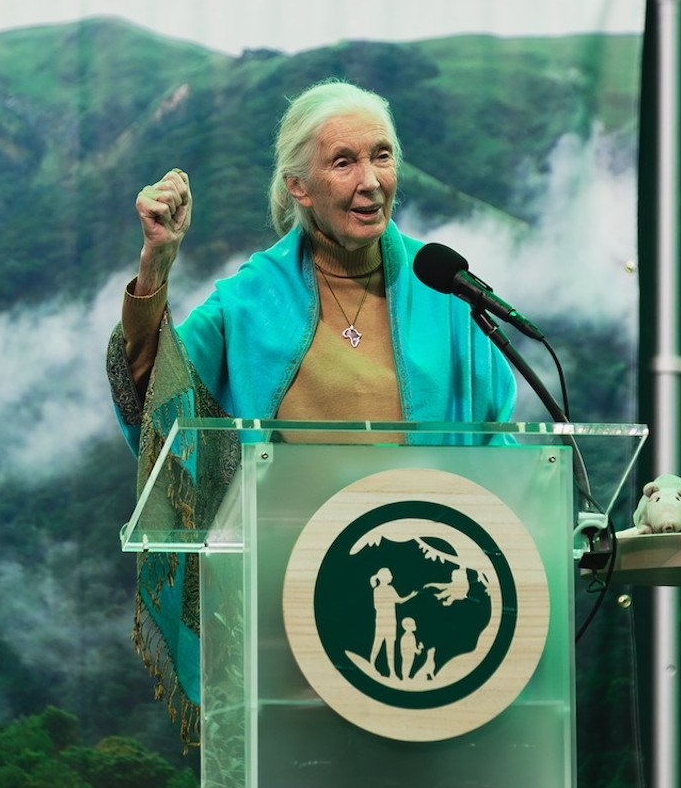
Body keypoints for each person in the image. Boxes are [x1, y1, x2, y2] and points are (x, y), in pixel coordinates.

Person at [106, 78, 518, 742]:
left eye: (382, 156)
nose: (371, 181)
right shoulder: (249, 301)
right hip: (286, 613)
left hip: (430, 627)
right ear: (298, 185)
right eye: (344, 161)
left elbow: (503, 445)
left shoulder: (444, 289)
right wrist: (156, 266)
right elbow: (158, 398)